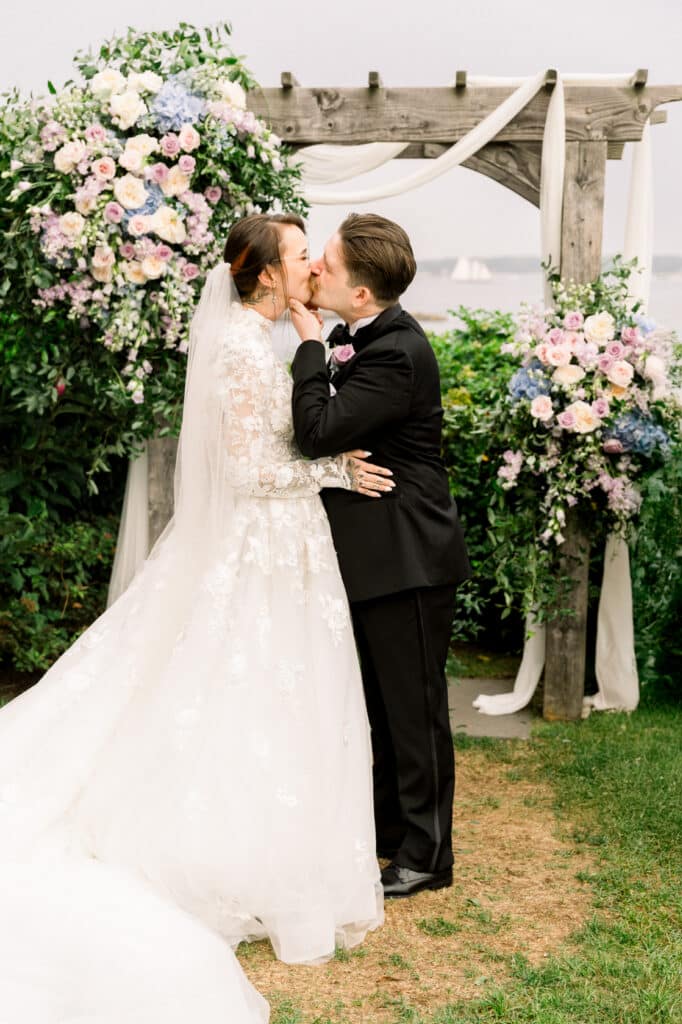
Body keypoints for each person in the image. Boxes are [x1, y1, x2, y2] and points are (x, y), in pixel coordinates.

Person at [0, 213, 390, 1020]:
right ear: (263, 275)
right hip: (259, 545)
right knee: (242, 689)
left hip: (280, 545)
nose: (309, 266)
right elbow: (250, 471)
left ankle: (269, 849)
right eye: (296, 257)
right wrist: (332, 474)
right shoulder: (243, 353)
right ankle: (222, 855)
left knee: (270, 694)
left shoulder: (262, 341)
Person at [289, 213, 471, 900]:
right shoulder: (362, 337)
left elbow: (318, 432)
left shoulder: (395, 352)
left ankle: (427, 854)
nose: (314, 272)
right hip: (375, 556)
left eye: (325, 265)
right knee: (379, 706)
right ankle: (390, 836)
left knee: (413, 710)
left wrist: (308, 345)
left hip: (409, 557)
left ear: (360, 295)